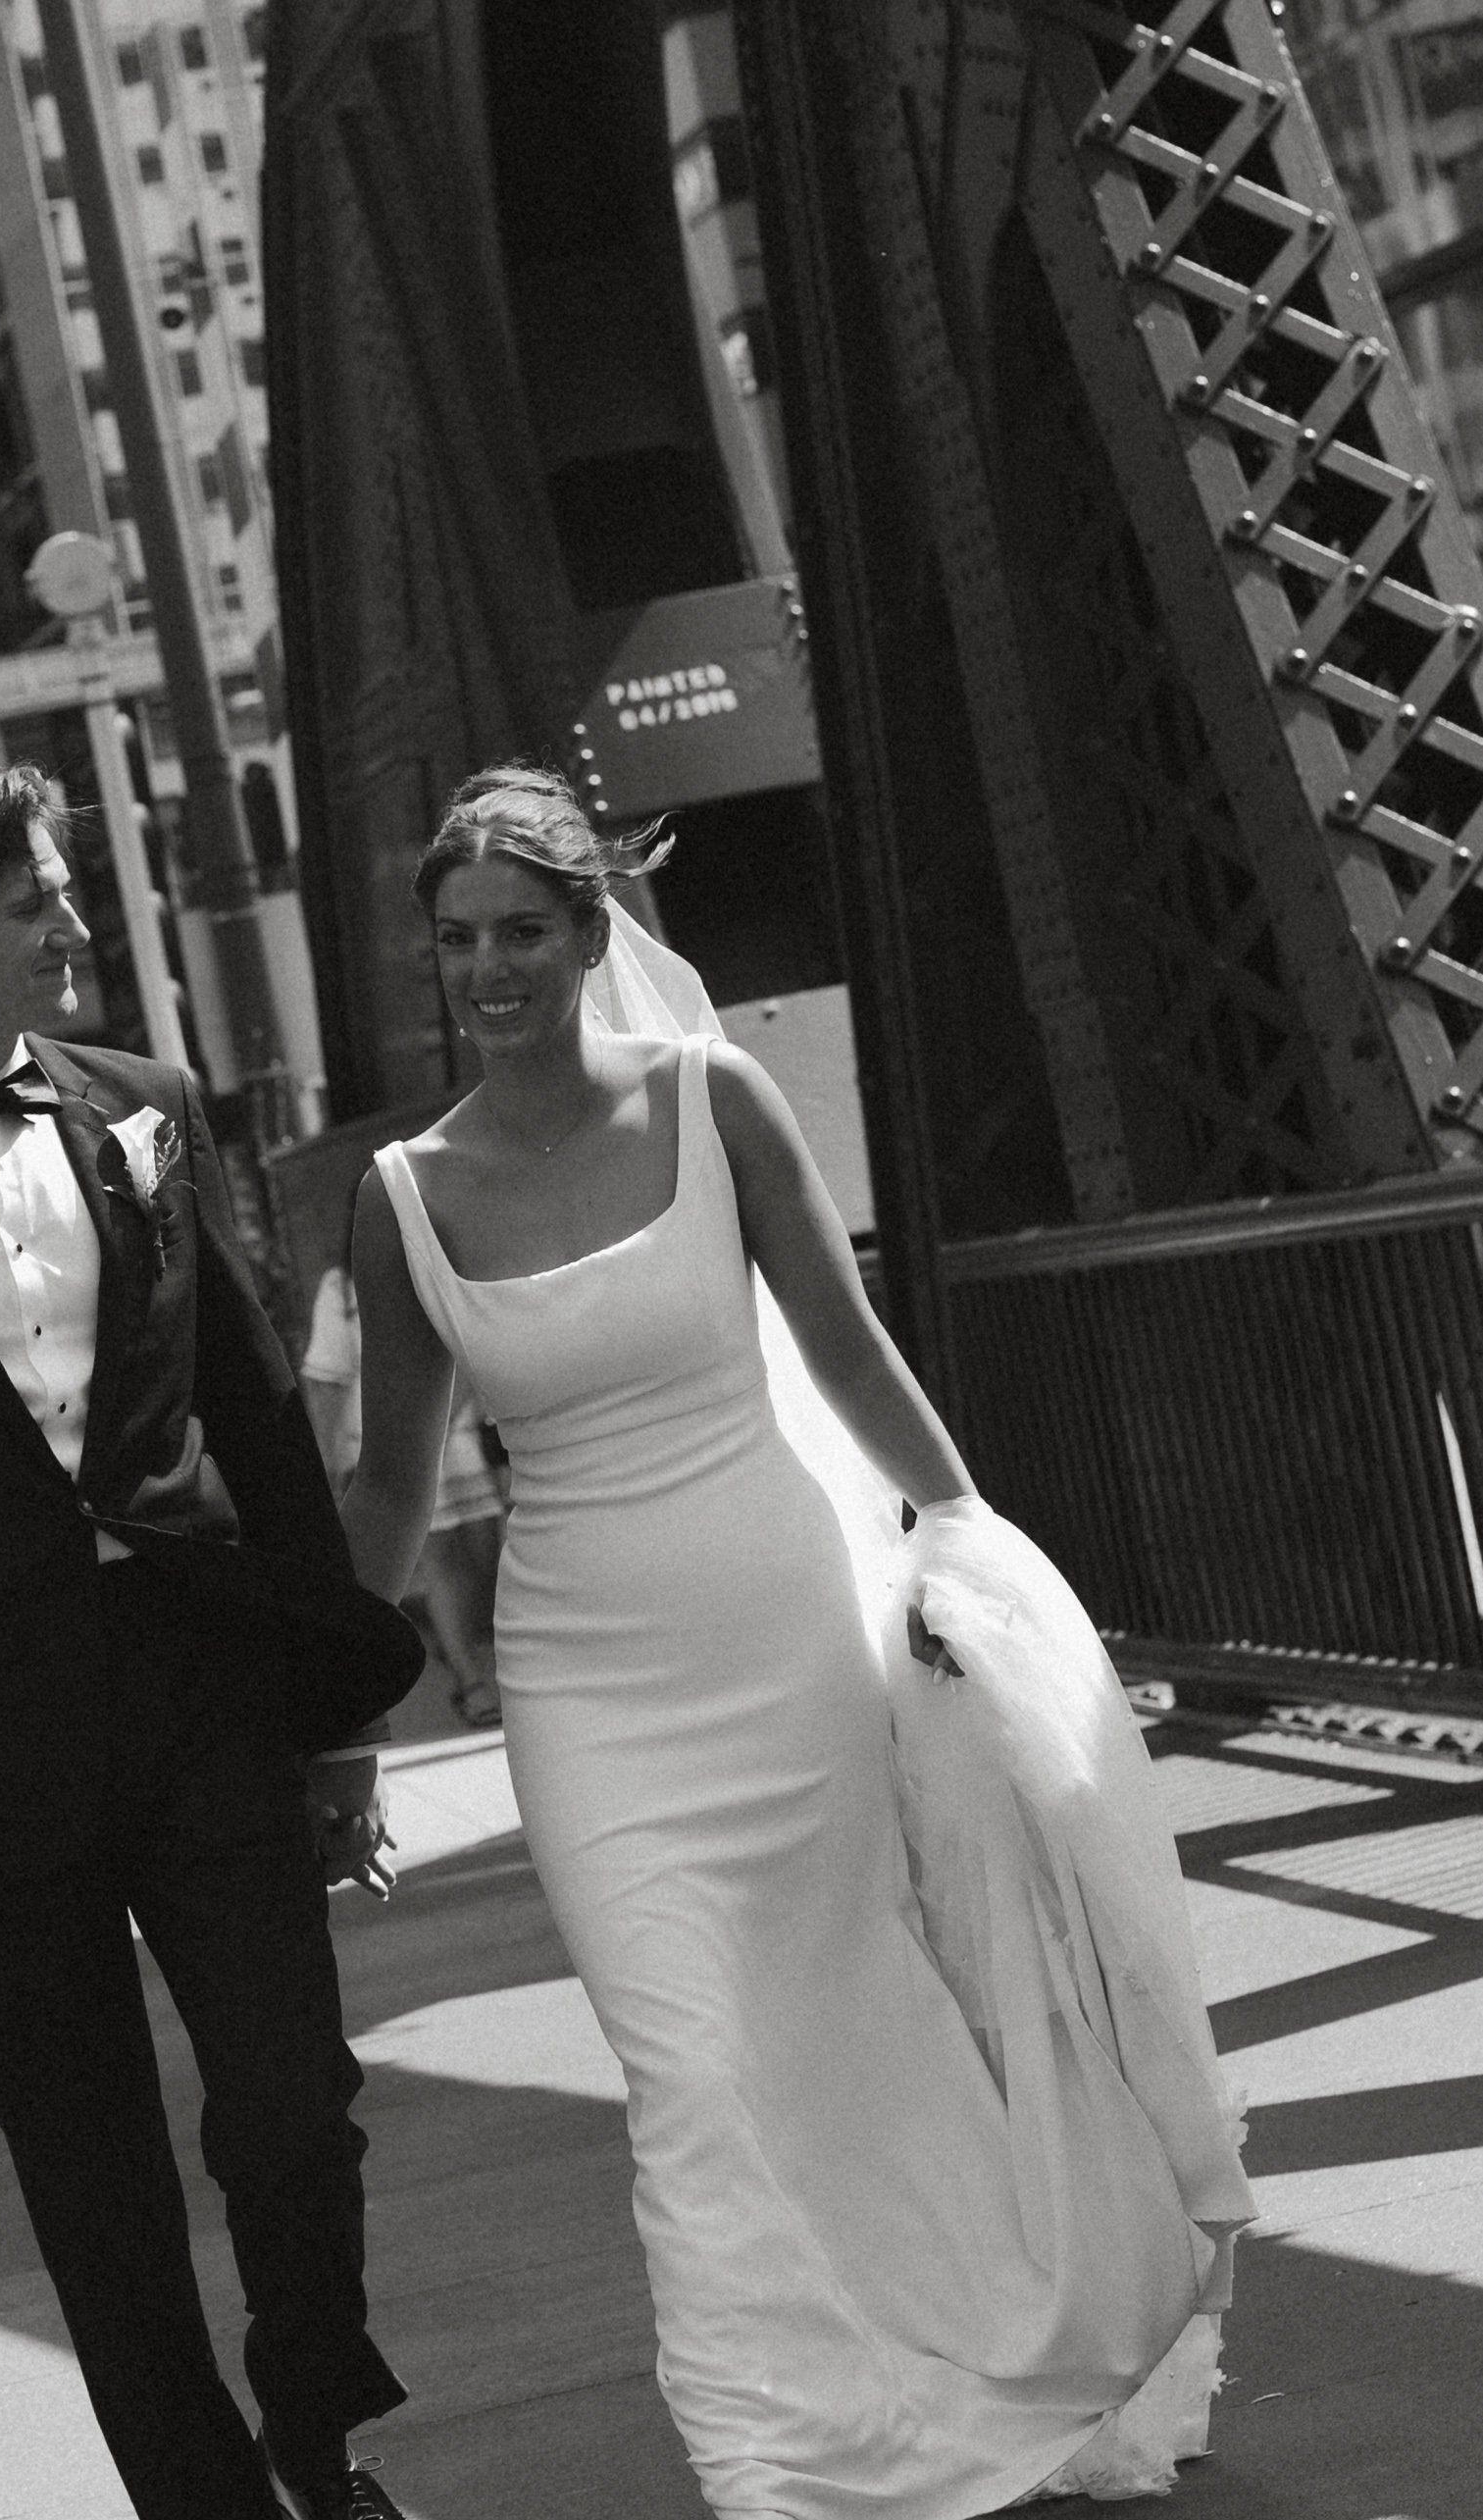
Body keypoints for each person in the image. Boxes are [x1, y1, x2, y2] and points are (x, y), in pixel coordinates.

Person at [342, 762, 1256, 2518]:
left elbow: (846, 1353)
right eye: (456, 940)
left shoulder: (714, 1097)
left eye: (520, 931)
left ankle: (963, 2351)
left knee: (846, 2020)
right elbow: (390, 1486)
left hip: (785, 1638)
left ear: (588, 932)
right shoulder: (403, 1194)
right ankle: (770, 2459)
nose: (488, 968)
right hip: (580, 1680)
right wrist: (322, 1710)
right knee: (682, 2063)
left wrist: (966, 1552)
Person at [0, 740, 427, 2520]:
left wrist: (343, 1718)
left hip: (207, 1701)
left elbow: (252, 1414)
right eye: (37, 900)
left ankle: (320, 2430)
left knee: (295, 2106)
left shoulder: (145, 1101)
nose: (76, 920)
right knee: (97, 2191)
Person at [302, 1260, 505, 1726]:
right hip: (386, 1442)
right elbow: (327, 1376)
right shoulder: (345, 1289)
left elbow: (473, 1353)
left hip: (459, 1440)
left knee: (484, 1556)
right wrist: (330, 1456)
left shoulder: (448, 1264)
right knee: (439, 1563)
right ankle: (469, 1679)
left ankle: (459, 1650)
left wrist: (449, 1420)